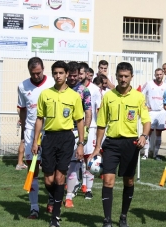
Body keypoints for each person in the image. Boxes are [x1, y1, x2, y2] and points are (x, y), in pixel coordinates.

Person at [88, 62, 151, 227]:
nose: (123, 79)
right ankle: (107, 220)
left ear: (131, 77)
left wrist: (144, 135)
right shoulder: (108, 96)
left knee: (128, 181)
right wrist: (97, 148)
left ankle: (123, 216)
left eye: (126, 76)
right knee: (108, 180)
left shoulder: (138, 97)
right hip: (111, 143)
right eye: (120, 76)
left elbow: (146, 120)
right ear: (115, 76)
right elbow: (101, 124)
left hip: (131, 144)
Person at [32, 61, 85, 227]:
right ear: (53, 74)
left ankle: (55, 217)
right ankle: (57, 197)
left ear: (67, 74)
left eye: (61, 73)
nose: (58, 76)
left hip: (66, 138)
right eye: (55, 73)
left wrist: (81, 143)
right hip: (49, 138)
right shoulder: (45, 94)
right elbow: (39, 118)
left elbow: (79, 120)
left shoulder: (74, 96)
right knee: (49, 180)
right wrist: (36, 140)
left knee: (60, 177)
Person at [17, 57, 54, 219]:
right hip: (32, 133)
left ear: (43, 69)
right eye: (33, 73)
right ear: (29, 71)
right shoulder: (22, 86)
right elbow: (23, 110)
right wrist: (24, 134)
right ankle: (34, 208)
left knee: (50, 172)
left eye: (39, 73)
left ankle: (52, 200)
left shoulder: (53, 83)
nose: (36, 76)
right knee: (33, 170)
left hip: (51, 132)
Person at [64, 61, 92, 208]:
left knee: (74, 163)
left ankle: (69, 196)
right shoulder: (61, 88)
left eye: (76, 76)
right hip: (60, 131)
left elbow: (88, 112)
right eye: (71, 75)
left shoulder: (83, 90)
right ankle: (63, 188)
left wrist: (85, 131)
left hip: (75, 131)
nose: (73, 78)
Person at [79, 62, 102, 199]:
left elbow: (98, 110)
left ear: (87, 74)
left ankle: (88, 189)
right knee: (78, 158)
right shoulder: (74, 88)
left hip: (91, 127)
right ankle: (80, 184)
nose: (79, 76)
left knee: (89, 157)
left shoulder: (94, 89)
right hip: (76, 127)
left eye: (81, 73)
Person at [141, 68, 166, 160]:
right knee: (148, 132)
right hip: (151, 112)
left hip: (161, 112)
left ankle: (155, 154)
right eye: (157, 74)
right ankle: (146, 153)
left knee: (159, 133)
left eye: (160, 74)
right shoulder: (149, 84)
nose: (159, 76)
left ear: (163, 75)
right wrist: (145, 106)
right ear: (154, 75)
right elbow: (140, 95)